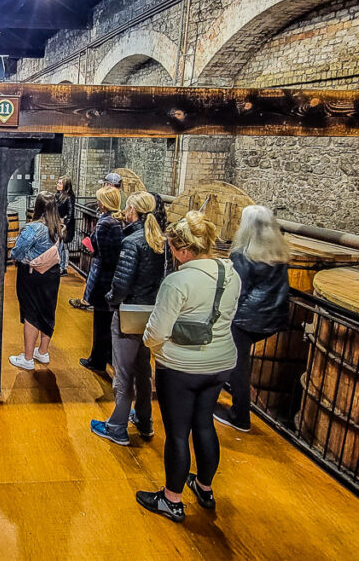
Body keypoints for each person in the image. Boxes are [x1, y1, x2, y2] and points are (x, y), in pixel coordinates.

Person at [136, 211, 241, 522]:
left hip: (181, 367)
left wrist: (154, 347)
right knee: (204, 425)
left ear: (182, 249)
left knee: (178, 434)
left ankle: (172, 500)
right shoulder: (230, 273)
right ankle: (205, 488)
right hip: (221, 362)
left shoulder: (179, 280)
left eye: (172, 248)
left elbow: (156, 332)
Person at [90, 192, 167, 445]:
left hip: (130, 311)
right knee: (143, 369)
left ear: (133, 210)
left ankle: (117, 427)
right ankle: (145, 421)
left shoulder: (133, 241)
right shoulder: (158, 240)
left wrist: (112, 300)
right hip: (151, 312)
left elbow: (122, 283)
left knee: (123, 372)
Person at [216, 205, 290, 432]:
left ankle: (240, 417)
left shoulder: (243, 254)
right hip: (272, 317)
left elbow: (238, 289)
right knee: (237, 360)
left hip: (246, 318)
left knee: (238, 364)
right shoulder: (278, 253)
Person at [8, 192, 68, 370]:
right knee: (47, 310)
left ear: (38, 207)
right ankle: (42, 352)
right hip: (52, 273)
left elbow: (16, 252)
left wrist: (16, 257)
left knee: (31, 313)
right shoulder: (59, 227)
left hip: (32, 274)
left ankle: (27, 358)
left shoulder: (33, 228)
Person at [79, 186, 124, 373]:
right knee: (109, 322)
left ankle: (97, 360)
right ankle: (108, 358)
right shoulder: (119, 221)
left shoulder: (106, 223)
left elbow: (106, 256)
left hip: (104, 279)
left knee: (101, 322)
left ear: (104, 203)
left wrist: (92, 248)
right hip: (112, 278)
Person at [69, 171, 122, 310]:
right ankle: (88, 299)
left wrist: (92, 244)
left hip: (105, 271)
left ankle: (89, 301)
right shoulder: (115, 219)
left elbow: (106, 256)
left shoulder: (106, 223)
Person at [55, 175, 76, 245]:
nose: (58, 184)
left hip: (64, 226)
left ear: (66, 186)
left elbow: (70, 214)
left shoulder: (69, 197)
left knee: (63, 245)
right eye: (58, 182)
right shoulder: (57, 195)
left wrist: (64, 223)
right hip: (57, 223)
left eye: (60, 183)